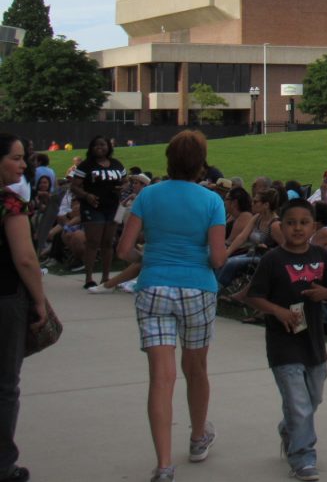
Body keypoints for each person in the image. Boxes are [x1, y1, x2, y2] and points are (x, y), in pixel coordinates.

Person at [116, 130, 228, 482]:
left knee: (160, 379)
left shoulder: (148, 195)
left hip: (154, 287)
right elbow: (218, 258)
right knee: (196, 368)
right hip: (197, 288)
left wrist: (151, 258)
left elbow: (123, 251)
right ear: (201, 163)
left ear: (168, 159)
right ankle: (198, 436)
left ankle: (164, 464)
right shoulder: (211, 201)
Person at [245, 198, 327, 481]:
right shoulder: (273, 259)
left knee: (313, 398)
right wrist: (277, 311)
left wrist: (325, 294)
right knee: (299, 403)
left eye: (303, 223)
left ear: (313, 226)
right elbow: (254, 295)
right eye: (291, 223)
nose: (297, 228)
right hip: (283, 344)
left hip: (313, 343)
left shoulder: (321, 257)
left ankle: (289, 427)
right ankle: (303, 458)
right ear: (282, 226)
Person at [1, 134, 49, 482]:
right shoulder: (10, 204)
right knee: (5, 384)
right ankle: (4, 462)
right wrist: (39, 300)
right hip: (6, 297)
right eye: (16, 158)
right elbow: (26, 259)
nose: (23, 165)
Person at [73, 135, 127, 290]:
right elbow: (75, 186)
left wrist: (123, 187)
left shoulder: (116, 164)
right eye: (96, 145)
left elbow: (125, 181)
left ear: (109, 147)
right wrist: (86, 195)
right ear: (91, 148)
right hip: (93, 207)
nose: (100, 148)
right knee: (93, 242)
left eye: (103, 145)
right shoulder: (85, 166)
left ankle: (106, 276)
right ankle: (89, 277)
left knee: (108, 242)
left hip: (113, 207)